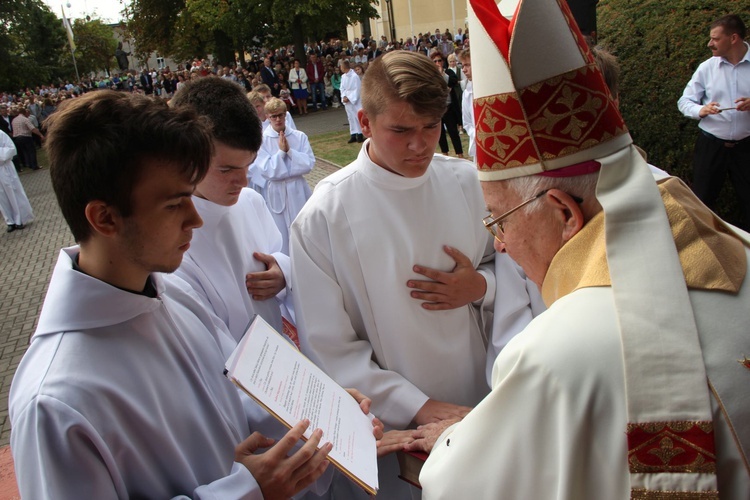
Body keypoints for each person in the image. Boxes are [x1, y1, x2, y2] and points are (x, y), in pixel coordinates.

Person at [413, 0, 750, 498]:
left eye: (498, 220)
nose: (500, 246)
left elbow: (461, 487)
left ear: (565, 212)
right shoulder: (734, 239)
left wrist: (455, 443)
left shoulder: (556, 352)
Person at [8, 90, 356, 498]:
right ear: (104, 217)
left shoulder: (173, 297)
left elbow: (243, 393)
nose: (196, 218)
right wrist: (245, 492)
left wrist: (323, 413)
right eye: (175, 204)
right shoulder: (54, 401)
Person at [291, 50, 499, 499]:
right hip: (397, 424)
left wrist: (480, 286)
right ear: (364, 122)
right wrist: (418, 406)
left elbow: (515, 266)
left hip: (481, 398)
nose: (420, 145)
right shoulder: (323, 217)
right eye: (401, 130)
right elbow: (330, 346)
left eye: (430, 127)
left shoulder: (467, 182)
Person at [170, 77, 292, 344]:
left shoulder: (251, 202)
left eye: (248, 166)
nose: (244, 181)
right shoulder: (173, 242)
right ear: (185, 157)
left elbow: (276, 255)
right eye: (226, 170)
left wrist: (283, 272)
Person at [678, 14, 750, 230]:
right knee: (702, 202)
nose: (710, 44)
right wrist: (702, 110)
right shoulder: (707, 68)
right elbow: (684, 101)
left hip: (747, 147)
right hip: (711, 146)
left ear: (733, 38)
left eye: (715, 39)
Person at [252, 98, 314, 254]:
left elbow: (308, 164)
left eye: (280, 115)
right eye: (274, 116)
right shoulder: (261, 141)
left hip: (297, 188)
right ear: (267, 117)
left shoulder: (299, 137)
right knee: (280, 231)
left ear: (286, 115)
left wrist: (290, 152)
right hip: (276, 191)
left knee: (303, 226)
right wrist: (281, 153)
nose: (278, 119)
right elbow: (266, 170)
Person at [431, 50, 464, 158]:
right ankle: (445, 154)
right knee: (440, 135)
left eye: (439, 60)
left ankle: (460, 154)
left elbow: (452, 82)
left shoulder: (449, 72)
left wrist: (442, 74)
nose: (437, 63)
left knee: (453, 132)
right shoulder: (430, 76)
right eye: (435, 61)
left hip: (449, 108)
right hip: (437, 109)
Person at [0, 130, 33, 232]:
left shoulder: (0, 134)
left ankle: (19, 219)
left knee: (12, 193)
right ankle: (10, 221)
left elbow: (11, 148)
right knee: (1, 198)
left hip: (4, 168)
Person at [339, 59, 364, 144]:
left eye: (341, 66)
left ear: (344, 67)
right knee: (350, 117)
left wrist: (349, 98)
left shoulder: (354, 76)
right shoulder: (343, 77)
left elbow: (357, 89)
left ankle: (360, 134)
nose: (340, 68)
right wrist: (344, 96)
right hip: (347, 99)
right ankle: (353, 134)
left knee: (357, 117)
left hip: (354, 100)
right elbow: (342, 88)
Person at [458, 49, 476, 158]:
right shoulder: (466, 93)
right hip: (478, 143)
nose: (464, 70)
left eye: (467, 65)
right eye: (462, 66)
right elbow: (467, 122)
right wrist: (476, 135)